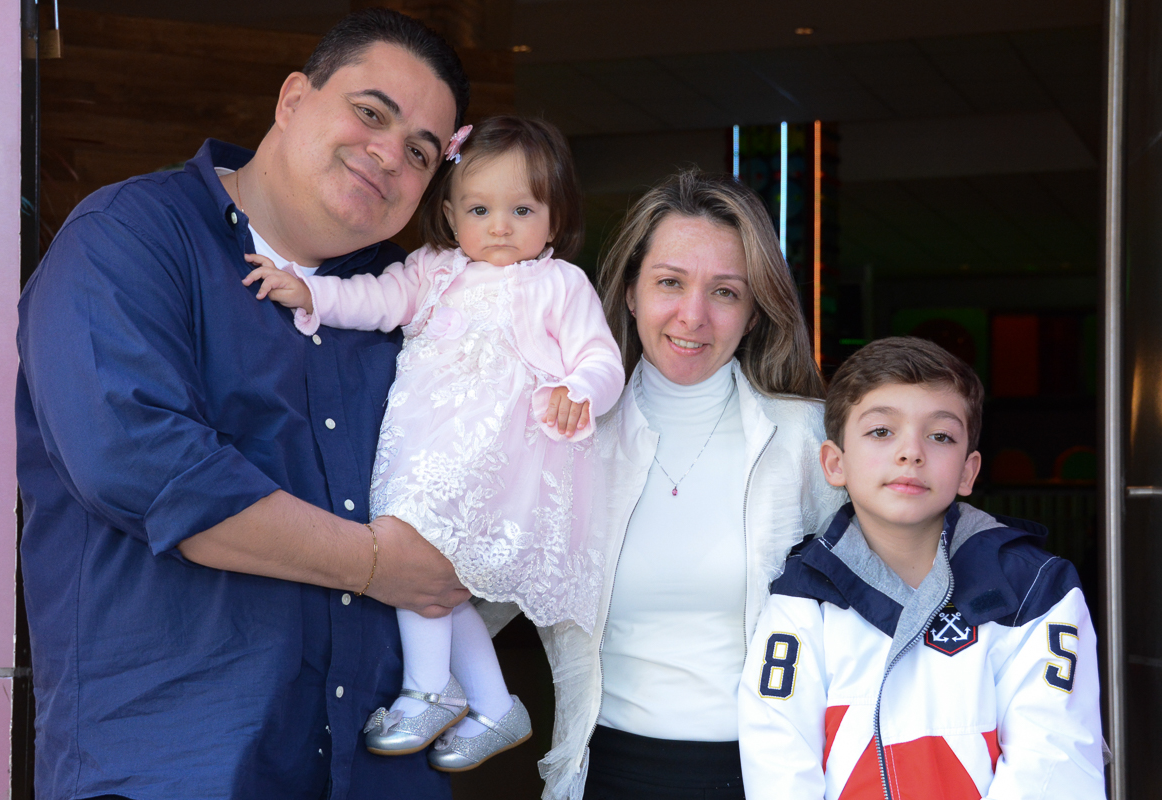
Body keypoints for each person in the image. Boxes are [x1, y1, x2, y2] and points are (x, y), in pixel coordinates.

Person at [15, 10, 476, 800]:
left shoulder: (420, 302)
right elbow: (145, 468)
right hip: (173, 771)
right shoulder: (129, 239)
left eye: (420, 153)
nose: (388, 155)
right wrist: (375, 565)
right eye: (371, 113)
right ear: (293, 99)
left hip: (377, 773)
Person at [242, 114, 625, 771]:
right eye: (479, 209)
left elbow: (602, 359)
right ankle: (493, 703)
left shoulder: (558, 285)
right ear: (449, 213)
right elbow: (372, 299)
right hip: (420, 449)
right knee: (432, 580)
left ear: (554, 218)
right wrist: (311, 292)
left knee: (414, 560)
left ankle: (429, 690)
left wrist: (580, 389)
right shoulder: (432, 273)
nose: (499, 226)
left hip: (493, 461)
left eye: (522, 210)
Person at [537, 170, 844, 800]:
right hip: (602, 776)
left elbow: (896, 572)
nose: (693, 316)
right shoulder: (568, 439)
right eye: (670, 282)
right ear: (630, 291)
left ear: (754, 313)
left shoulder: (806, 440)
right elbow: (472, 583)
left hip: (766, 778)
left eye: (725, 292)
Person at [738, 337, 1106, 799]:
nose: (911, 452)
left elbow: (1055, 763)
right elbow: (779, 762)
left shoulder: (1033, 589)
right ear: (834, 463)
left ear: (968, 471)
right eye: (881, 431)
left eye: (940, 436)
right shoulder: (805, 591)